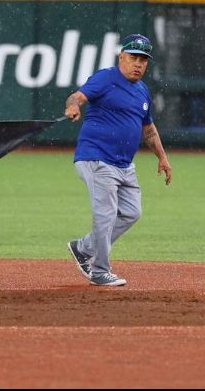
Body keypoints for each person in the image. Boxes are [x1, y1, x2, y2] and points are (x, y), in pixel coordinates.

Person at [63, 34, 172, 287]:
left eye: (143, 60)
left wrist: (162, 157)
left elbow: (149, 129)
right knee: (106, 214)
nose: (138, 64)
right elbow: (76, 97)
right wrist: (73, 107)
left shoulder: (142, 90)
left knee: (132, 212)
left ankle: (83, 248)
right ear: (121, 57)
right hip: (96, 157)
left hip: (124, 165)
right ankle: (100, 270)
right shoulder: (106, 78)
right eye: (133, 57)